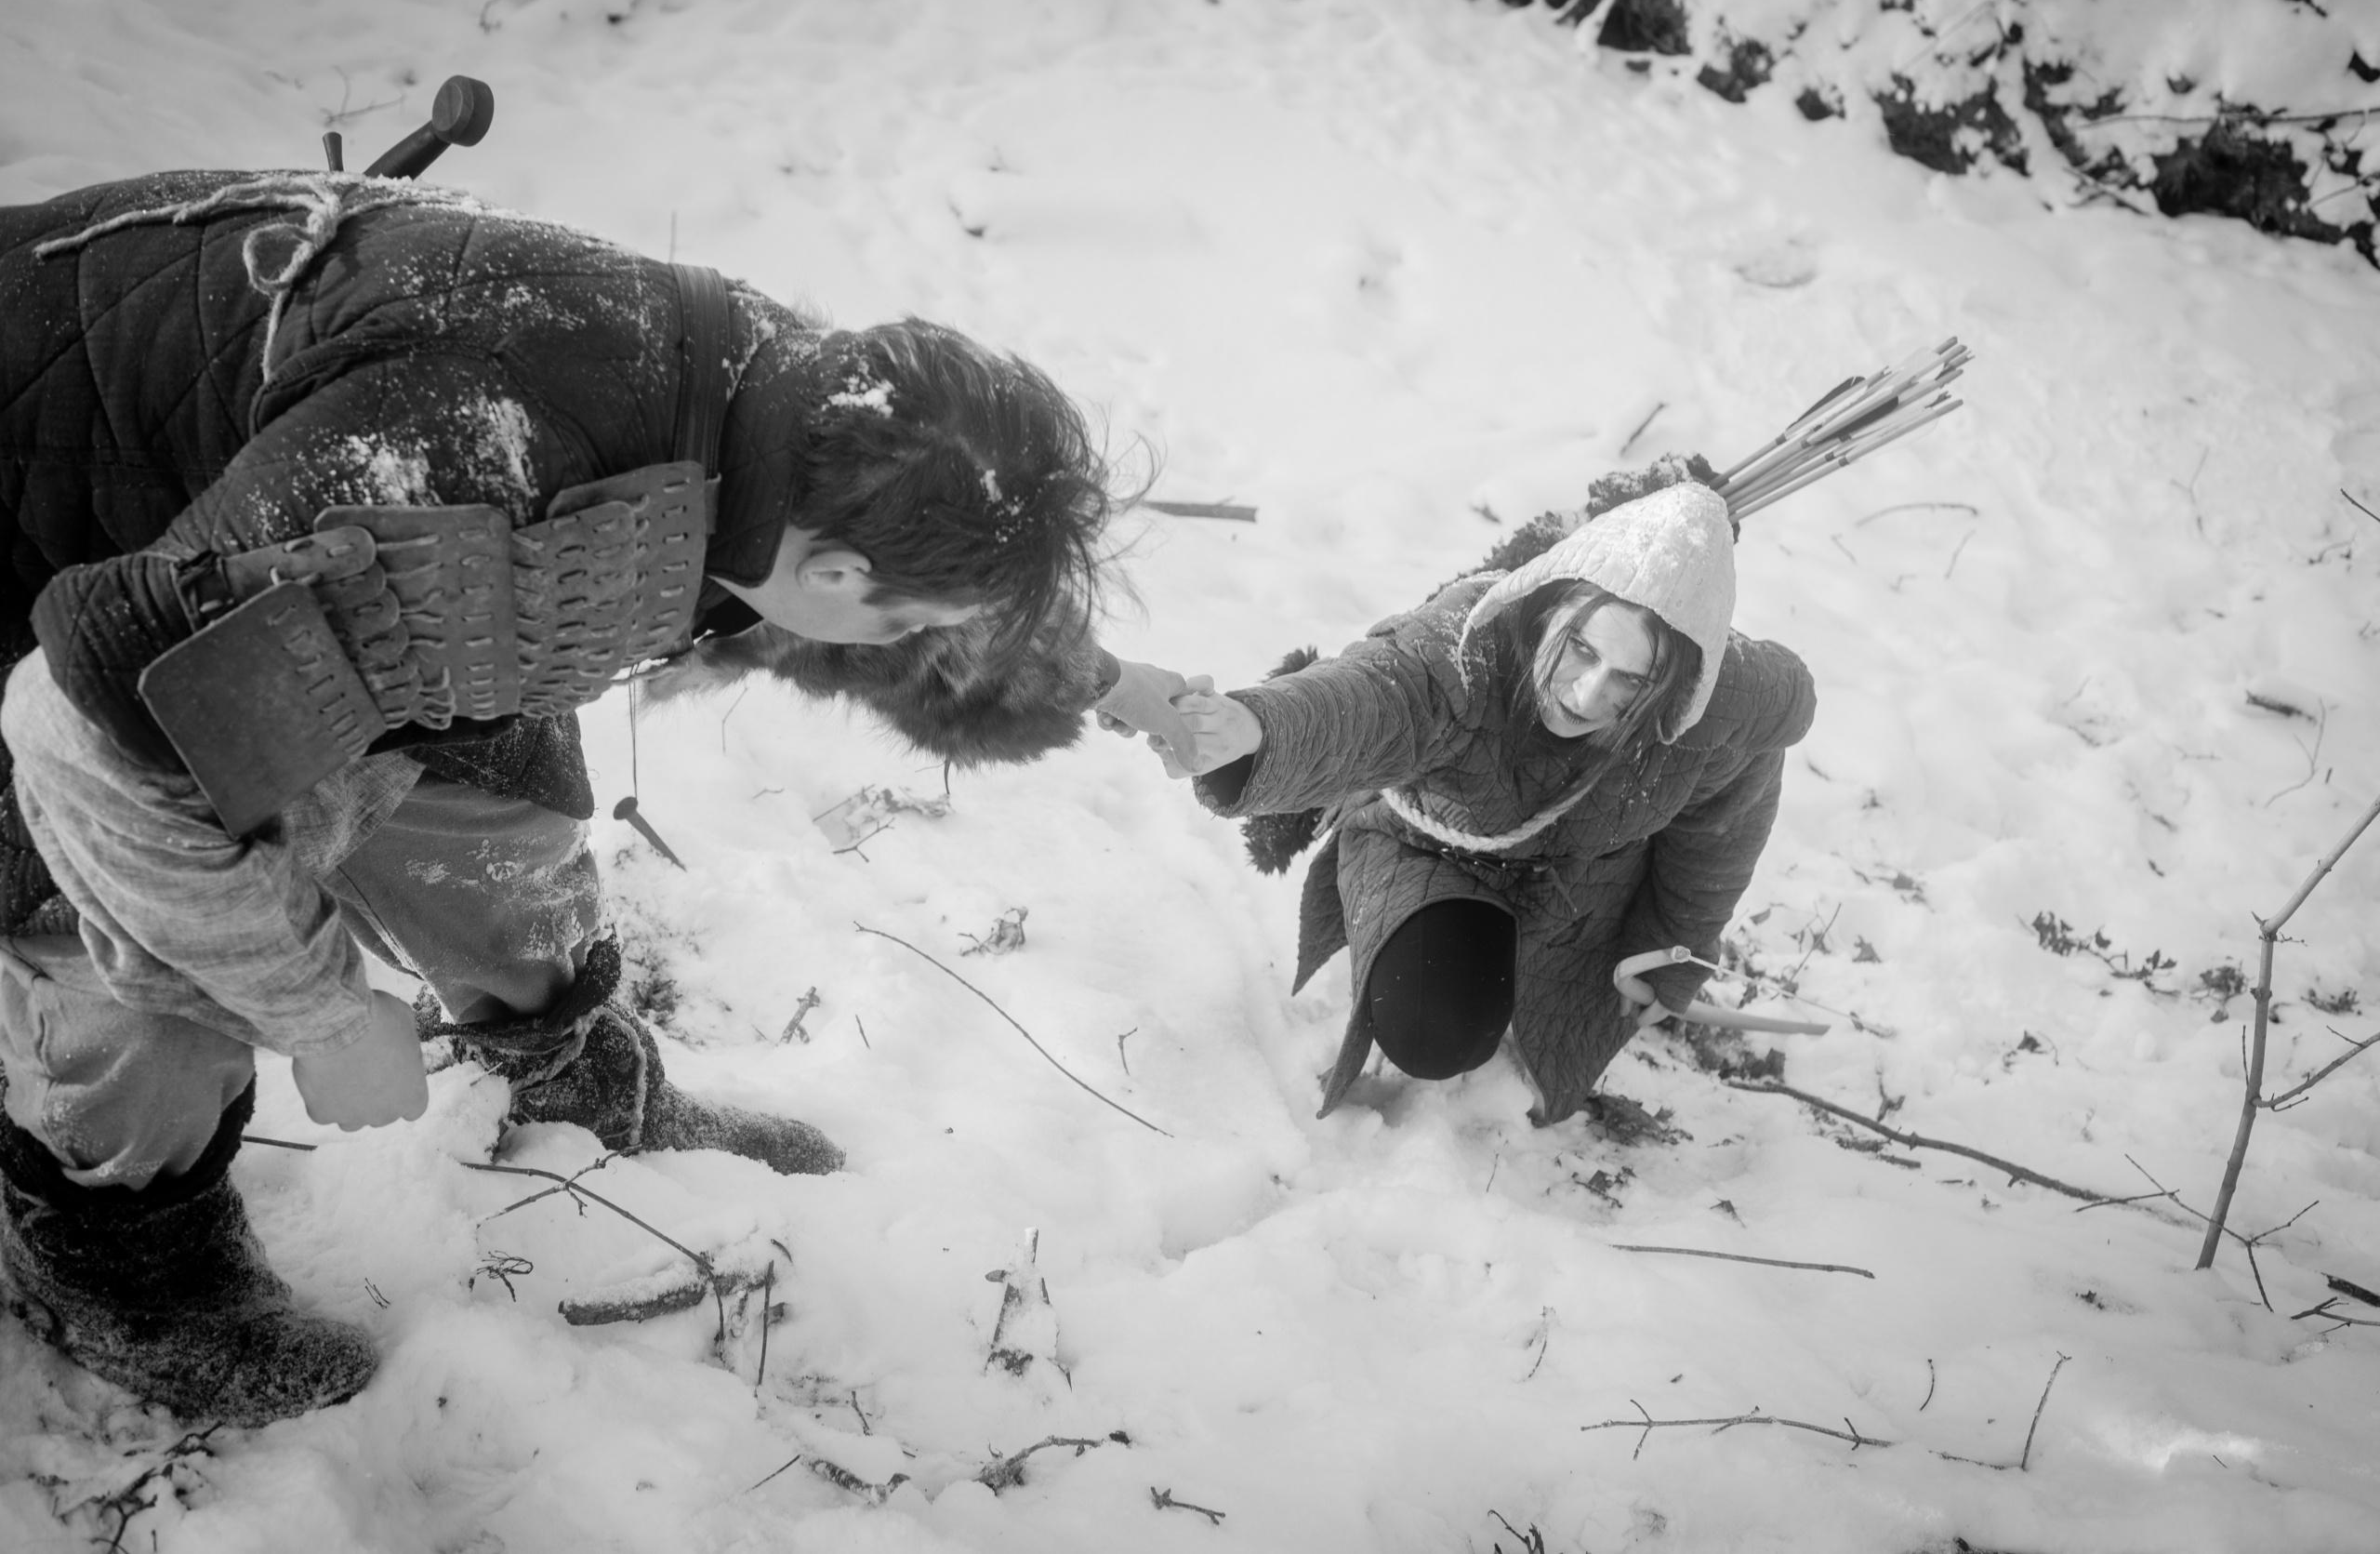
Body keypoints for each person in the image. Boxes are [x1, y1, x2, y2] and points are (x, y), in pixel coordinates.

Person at [0, 169, 1183, 1425]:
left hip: (259, 580)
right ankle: (124, 1271)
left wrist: (1114, 685)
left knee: (501, 812)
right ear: (837, 573)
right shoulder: (467, 467)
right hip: (62, 631)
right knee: (130, 966)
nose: (929, 644)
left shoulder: (793, 416)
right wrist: (322, 1014)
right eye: (927, 624)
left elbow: (887, 601)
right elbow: (72, 737)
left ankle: (571, 1077)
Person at [1152, 466, 1816, 1127]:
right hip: (1428, 854)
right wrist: (1253, 729)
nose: (1587, 696)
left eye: (1630, 682)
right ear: (1550, 604)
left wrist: (1673, 951)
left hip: (1585, 890)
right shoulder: (1466, 651)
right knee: (1433, 1029)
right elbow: (1370, 697)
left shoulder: (1712, 715)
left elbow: (1717, 838)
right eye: (1581, 649)